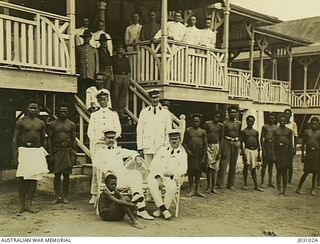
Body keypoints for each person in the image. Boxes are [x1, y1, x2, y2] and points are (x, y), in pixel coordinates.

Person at [94, 129, 154, 220]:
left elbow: (132, 152)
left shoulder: (119, 150)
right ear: (104, 139)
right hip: (111, 180)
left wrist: (137, 157)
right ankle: (138, 207)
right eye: (108, 138)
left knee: (135, 173)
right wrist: (107, 171)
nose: (111, 140)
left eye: (112, 138)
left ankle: (139, 202)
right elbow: (97, 163)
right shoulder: (100, 152)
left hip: (123, 177)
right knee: (130, 178)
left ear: (115, 139)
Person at [12, 99, 49, 214]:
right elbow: (14, 139)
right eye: (31, 107)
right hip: (24, 151)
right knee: (22, 179)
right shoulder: (21, 122)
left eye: (35, 108)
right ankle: (22, 205)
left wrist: (45, 154)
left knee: (33, 179)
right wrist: (14, 156)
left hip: (36, 151)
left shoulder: (40, 123)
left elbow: (43, 140)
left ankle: (29, 204)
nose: (33, 110)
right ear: (27, 109)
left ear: (38, 109)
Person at [87, 89, 121, 205]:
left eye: (105, 99)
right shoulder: (94, 115)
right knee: (97, 168)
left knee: (112, 167)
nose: (103, 101)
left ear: (108, 99)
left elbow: (118, 130)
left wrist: (110, 139)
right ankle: (94, 193)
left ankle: (113, 191)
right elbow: (90, 132)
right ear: (98, 101)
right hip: (98, 144)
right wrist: (99, 139)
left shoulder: (113, 114)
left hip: (111, 142)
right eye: (100, 99)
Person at [147, 129, 187, 219]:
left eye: (176, 139)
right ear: (169, 140)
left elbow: (184, 168)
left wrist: (172, 174)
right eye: (172, 139)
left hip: (171, 177)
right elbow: (153, 164)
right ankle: (164, 210)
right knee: (151, 182)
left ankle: (161, 209)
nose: (173, 141)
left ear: (179, 139)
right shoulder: (162, 150)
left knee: (171, 187)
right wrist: (158, 177)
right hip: (157, 175)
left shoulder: (183, 154)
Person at [48, 103, 76, 204]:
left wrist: (74, 153)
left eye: (65, 111)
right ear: (58, 112)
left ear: (68, 112)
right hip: (57, 150)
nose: (63, 113)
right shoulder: (53, 124)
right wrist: (50, 154)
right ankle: (56, 196)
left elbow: (73, 139)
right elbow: (49, 140)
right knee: (57, 174)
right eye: (61, 111)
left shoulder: (71, 124)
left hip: (67, 150)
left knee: (66, 175)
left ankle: (64, 196)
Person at [136, 88, 172, 168]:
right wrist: (140, 147)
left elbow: (168, 131)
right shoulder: (144, 112)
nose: (155, 100)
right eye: (153, 98)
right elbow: (140, 131)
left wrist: (167, 146)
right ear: (149, 98)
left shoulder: (165, 112)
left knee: (160, 169)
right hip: (147, 146)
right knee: (148, 169)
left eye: (157, 97)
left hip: (161, 146)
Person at [217, 105, 241, 190]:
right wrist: (222, 147)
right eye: (231, 112)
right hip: (227, 142)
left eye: (234, 112)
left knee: (233, 164)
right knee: (223, 163)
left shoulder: (238, 123)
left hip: (235, 143)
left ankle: (231, 184)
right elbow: (222, 136)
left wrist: (239, 142)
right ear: (228, 113)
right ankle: (219, 183)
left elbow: (240, 134)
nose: (232, 114)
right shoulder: (225, 123)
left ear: (236, 113)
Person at [183, 113, 207, 197]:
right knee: (191, 172)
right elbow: (184, 142)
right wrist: (188, 151)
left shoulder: (203, 131)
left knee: (198, 172)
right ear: (192, 122)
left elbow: (205, 145)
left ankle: (197, 190)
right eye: (195, 121)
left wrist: (203, 157)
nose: (196, 123)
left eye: (198, 121)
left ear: (200, 122)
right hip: (191, 153)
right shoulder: (188, 130)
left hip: (199, 152)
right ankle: (191, 189)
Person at [296, 117, 320, 196]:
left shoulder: (319, 133)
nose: (314, 126)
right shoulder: (307, 132)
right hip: (309, 153)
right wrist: (303, 155)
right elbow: (303, 145)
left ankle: (312, 189)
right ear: (310, 124)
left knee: (315, 172)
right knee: (306, 172)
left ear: (318, 125)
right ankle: (299, 188)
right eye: (312, 124)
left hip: (317, 153)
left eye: (315, 124)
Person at [240, 115, 263, 192]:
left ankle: (256, 185)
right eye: (249, 121)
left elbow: (258, 142)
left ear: (254, 122)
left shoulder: (255, 132)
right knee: (246, 167)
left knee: (254, 168)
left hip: (255, 151)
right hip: (247, 150)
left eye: (252, 121)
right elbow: (241, 143)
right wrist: (243, 154)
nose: (250, 123)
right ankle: (245, 184)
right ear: (246, 122)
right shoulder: (244, 131)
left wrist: (259, 153)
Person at [76, 29, 99, 99]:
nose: (86, 39)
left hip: (91, 75)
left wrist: (96, 74)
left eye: (88, 37)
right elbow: (76, 60)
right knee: (82, 92)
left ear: (90, 38)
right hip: (82, 74)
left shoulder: (94, 50)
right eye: (85, 37)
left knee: (91, 92)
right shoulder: (78, 48)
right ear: (83, 38)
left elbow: (97, 62)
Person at [204, 111, 223, 194]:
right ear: (213, 116)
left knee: (215, 168)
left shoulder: (220, 125)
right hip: (208, 145)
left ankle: (213, 187)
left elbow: (221, 138)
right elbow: (204, 135)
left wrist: (219, 152)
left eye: (218, 117)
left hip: (216, 146)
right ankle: (208, 186)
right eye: (215, 117)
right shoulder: (207, 124)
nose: (217, 118)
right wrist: (205, 147)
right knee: (208, 167)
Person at [273, 114, 293, 196]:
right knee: (279, 171)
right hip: (278, 151)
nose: (282, 122)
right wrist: (274, 155)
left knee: (285, 171)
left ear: (286, 122)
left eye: (284, 121)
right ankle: (278, 189)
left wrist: (290, 154)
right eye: (281, 121)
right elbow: (273, 144)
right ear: (279, 121)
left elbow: (291, 143)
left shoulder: (289, 131)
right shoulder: (276, 131)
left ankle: (284, 189)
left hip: (286, 152)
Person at [111, 44, 131, 119]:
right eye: (119, 48)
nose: (120, 50)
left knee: (123, 95)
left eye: (122, 48)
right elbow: (111, 68)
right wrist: (113, 76)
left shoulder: (126, 59)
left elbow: (129, 70)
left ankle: (121, 112)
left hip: (125, 77)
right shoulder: (113, 58)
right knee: (116, 94)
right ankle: (115, 111)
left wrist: (128, 79)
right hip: (117, 76)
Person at [260, 113, 277, 188]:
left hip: (273, 147)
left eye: (273, 118)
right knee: (264, 165)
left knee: (271, 165)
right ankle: (262, 181)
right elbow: (261, 138)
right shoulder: (265, 127)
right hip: (266, 145)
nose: (271, 120)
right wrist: (263, 149)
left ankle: (270, 181)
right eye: (270, 118)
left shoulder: (276, 127)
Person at [283, 109, 298, 187]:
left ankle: (289, 181)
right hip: (282, 147)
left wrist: (294, 147)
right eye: (285, 114)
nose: (286, 115)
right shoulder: (280, 123)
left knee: (289, 164)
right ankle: (283, 180)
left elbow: (295, 136)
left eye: (288, 114)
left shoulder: (293, 124)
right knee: (282, 164)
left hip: (289, 146)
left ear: (290, 115)